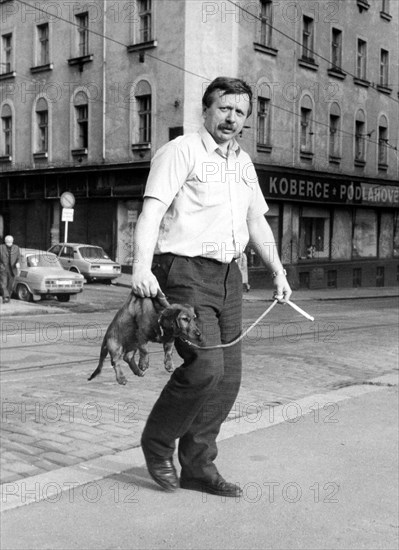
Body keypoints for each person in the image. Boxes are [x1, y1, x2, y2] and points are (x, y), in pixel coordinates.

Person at [132, 76, 292, 498]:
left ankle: (199, 467)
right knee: (204, 368)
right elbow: (151, 212)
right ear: (206, 110)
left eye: (240, 112)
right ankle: (158, 441)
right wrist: (140, 268)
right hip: (183, 271)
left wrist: (277, 270)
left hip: (229, 277)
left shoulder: (242, 163)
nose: (232, 118)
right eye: (224, 108)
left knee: (228, 379)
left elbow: (256, 221)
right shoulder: (180, 151)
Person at [0, 235, 21, 303]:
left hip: (13, 269)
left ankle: (8, 297)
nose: (9, 243)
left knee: (11, 285)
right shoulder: (1, 247)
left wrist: (18, 263)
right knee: (3, 284)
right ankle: (6, 296)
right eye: (7, 242)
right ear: (5, 241)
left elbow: (18, 257)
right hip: (3, 268)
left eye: (10, 242)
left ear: (12, 241)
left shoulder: (16, 248)